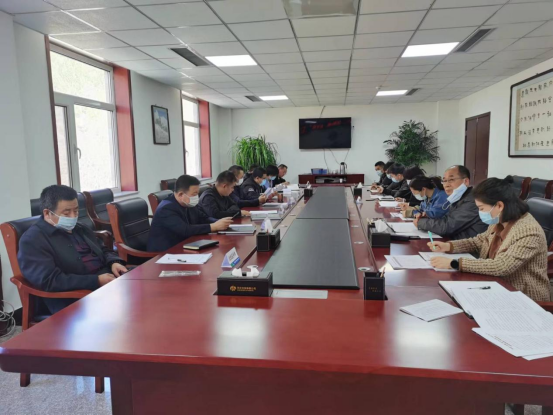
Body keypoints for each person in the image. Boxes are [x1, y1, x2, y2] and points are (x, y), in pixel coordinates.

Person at [428, 176, 550, 302]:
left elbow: (503, 265)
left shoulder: (528, 231)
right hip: (494, 286)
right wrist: (449, 246)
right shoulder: (500, 219)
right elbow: (479, 241)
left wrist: (454, 263)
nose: (480, 212)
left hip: (523, 298)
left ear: (499, 205)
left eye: (481, 208)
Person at [18, 185, 127, 314]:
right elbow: (50, 281)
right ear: (47, 213)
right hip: (75, 297)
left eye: (76, 211)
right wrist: (96, 281)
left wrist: (114, 262)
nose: (73, 217)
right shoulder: (33, 240)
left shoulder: (79, 228)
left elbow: (103, 249)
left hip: (106, 280)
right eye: (66, 213)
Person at [147, 175, 232, 252]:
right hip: (164, 253)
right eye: (194, 194)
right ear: (181, 194)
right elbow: (185, 230)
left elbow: (203, 218)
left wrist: (218, 222)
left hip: (185, 245)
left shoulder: (187, 203)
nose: (196, 197)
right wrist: (213, 226)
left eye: (197, 193)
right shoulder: (166, 208)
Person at [416, 165, 488, 240]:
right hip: (455, 243)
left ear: (466, 181)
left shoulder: (473, 200)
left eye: (451, 180)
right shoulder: (457, 198)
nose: (446, 185)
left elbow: (447, 227)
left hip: (469, 246)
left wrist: (420, 222)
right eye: (444, 181)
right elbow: (446, 220)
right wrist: (428, 217)